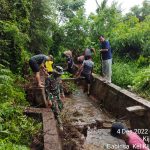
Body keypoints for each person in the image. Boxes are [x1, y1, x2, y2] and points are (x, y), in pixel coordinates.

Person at [45, 66, 65, 130]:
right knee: (56, 109)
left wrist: (62, 93)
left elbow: (60, 85)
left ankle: (56, 118)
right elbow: (47, 89)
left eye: (60, 74)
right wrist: (49, 99)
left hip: (58, 94)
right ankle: (60, 124)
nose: (59, 75)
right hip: (52, 95)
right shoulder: (48, 78)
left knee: (61, 106)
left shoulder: (59, 78)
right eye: (59, 74)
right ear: (55, 72)